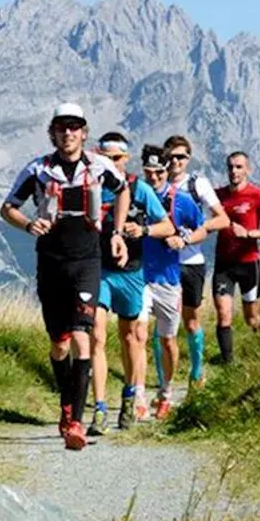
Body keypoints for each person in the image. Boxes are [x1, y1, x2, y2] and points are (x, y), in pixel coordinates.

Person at [0, 103, 128, 450]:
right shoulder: (38, 169)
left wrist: (116, 232)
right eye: (61, 127)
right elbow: (7, 207)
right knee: (59, 343)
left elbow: (124, 191)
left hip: (88, 261)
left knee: (83, 338)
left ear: (84, 132)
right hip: (52, 262)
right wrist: (28, 224)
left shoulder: (99, 167)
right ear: (53, 132)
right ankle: (66, 403)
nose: (68, 133)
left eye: (75, 126)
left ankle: (76, 423)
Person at [88, 131, 172, 434]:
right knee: (96, 334)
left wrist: (144, 230)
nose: (112, 164)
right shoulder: (92, 187)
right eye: (106, 159)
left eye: (117, 159)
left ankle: (128, 396)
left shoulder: (140, 189)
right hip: (99, 271)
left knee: (131, 337)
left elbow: (168, 226)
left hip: (132, 272)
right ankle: (98, 409)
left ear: (125, 159)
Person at [140, 145, 210, 420]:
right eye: (149, 172)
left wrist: (183, 240)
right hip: (140, 277)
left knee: (167, 339)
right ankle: (139, 395)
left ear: (166, 170)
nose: (154, 177)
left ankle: (166, 393)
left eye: (158, 172)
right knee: (138, 334)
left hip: (169, 278)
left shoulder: (181, 200)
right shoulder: (136, 196)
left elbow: (202, 228)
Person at [161, 135, 226, 387]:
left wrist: (197, 230)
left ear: (188, 159)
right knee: (163, 324)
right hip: (163, 262)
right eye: (172, 156)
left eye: (181, 156)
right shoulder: (157, 182)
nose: (176, 161)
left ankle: (197, 373)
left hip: (191, 261)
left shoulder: (197, 183)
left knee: (190, 320)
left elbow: (222, 219)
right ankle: (163, 379)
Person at [212, 150, 260, 364]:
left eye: (239, 167)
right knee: (224, 314)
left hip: (249, 264)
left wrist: (249, 233)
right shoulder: (218, 196)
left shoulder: (257, 195)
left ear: (247, 169)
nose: (234, 171)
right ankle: (227, 364)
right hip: (224, 264)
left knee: (251, 318)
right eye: (231, 166)